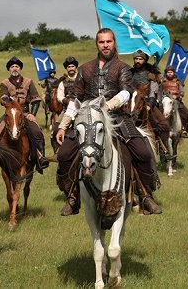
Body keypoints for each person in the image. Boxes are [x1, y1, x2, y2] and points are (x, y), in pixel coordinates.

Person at [55, 28, 162, 216]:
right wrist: (64, 125)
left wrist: (108, 106)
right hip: (87, 119)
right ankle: (73, 195)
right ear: (97, 44)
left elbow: (126, 92)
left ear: (114, 43)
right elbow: (75, 98)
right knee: (64, 154)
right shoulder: (85, 69)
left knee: (143, 152)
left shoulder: (123, 68)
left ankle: (145, 194)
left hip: (117, 117)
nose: (105, 45)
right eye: (102, 42)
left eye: (109, 42)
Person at [0, 56, 50, 172]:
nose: (14, 68)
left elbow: (36, 99)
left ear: (20, 69)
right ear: (9, 69)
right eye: (12, 67)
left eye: (17, 66)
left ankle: (40, 158)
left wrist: (32, 114)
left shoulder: (28, 82)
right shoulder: (4, 83)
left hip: (25, 113)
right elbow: (3, 98)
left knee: (37, 133)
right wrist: (10, 103)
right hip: (10, 112)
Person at [130, 50, 172, 157]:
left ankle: (163, 149)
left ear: (144, 60)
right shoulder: (129, 72)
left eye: (140, 59)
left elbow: (153, 91)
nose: (138, 61)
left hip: (147, 102)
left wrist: (149, 104)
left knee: (164, 125)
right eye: (136, 58)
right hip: (131, 101)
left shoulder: (151, 74)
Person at [49, 57, 79, 152]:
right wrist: (68, 101)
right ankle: (57, 151)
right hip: (66, 110)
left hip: (81, 109)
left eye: (72, 66)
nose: (71, 68)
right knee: (55, 129)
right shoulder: (62, 83)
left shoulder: (81, 79)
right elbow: (59, 97)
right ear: (66, 68)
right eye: (69, 67)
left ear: (75, 67)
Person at [161, 65, 188, 137]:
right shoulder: (163, 82)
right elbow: (160, 92)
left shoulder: (178, 82)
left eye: (171, 72)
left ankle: (183, 129)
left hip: (176, 101)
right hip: (165, 101)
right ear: (166, 73)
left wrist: (179, 96)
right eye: (168, 72)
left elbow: (181, 91)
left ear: (173, 73)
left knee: (187, 114)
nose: (170, 74)